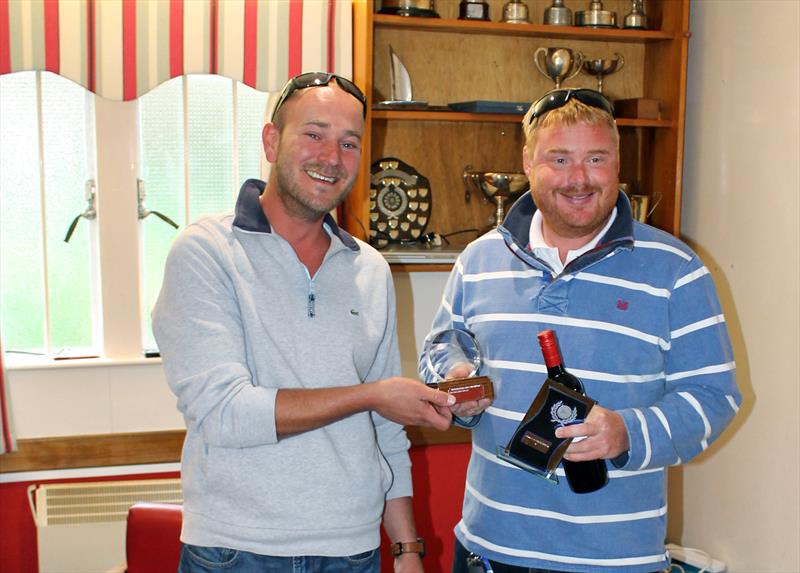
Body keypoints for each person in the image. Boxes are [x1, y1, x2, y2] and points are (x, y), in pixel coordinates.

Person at [419, 88, 741, 573]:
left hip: (614, 560)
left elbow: (716, 398)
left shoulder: (677, 270)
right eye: (559, 158)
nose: (579, 178)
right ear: (528, 161)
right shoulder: (478, 259)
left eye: (596, 158)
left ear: (617, 162)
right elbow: (442, 346)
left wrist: (626, 432)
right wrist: (458, 381)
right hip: (487, 549)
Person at [153, 72, 456, 573]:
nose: (331, 158)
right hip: (235, 551)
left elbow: (386, 431)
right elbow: (225, 413)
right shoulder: (206, 252)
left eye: (349, 143)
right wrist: (371, 394)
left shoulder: (371, 270)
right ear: (272, 141)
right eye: (314, 134)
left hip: (353, 550)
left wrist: (405, 548)